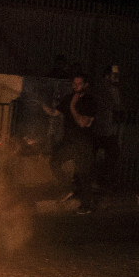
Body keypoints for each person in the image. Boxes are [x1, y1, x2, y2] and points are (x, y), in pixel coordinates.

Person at [43, 73, 98, 214]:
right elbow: (56, 112)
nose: (75, 86)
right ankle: (68, 189)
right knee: (54, 161)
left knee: (84, 174)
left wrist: (73, 106)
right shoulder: (68, 98)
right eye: (74, 83)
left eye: (79, 84)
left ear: (85, 85)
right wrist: (43, 105)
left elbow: (82, 122)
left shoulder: (89, 101)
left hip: (83, 144)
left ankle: (87, 206)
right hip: (69, 143)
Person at [92, 65, 122, 195]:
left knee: (108, 154)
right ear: (107, 76)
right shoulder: (106, 88)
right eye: (113, 75)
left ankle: (98, 180)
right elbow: (116, 105)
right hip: (101, 129)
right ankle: (98, 180)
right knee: (110, 154)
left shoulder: (104, 88)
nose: (116, 77)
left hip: (103, 129)